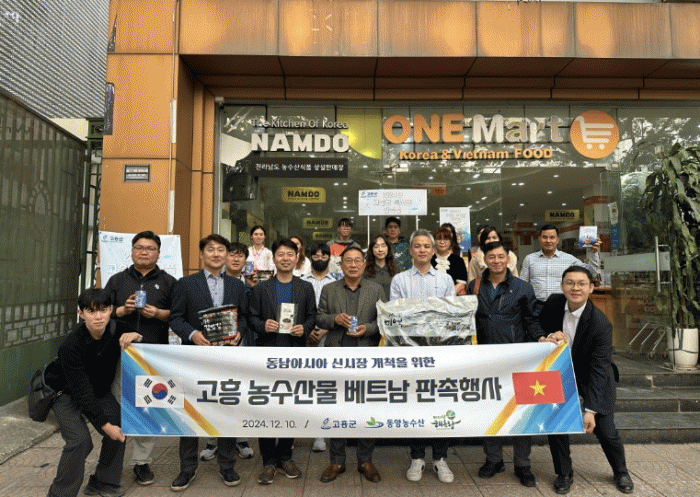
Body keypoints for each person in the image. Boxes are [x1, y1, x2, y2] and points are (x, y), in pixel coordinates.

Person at [539, 267, 633, 495]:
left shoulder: (600, 323)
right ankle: (564, 474)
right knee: (557, 423)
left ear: (591, 288)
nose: (575, 288)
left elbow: (600, 369)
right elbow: (535, 323)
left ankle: (621, 472)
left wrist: (590, 410)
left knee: (606, 429)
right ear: (562, 286)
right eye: (570, 283)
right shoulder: (553, 303)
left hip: (593, 376)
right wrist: (546, 336)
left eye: (581, 283)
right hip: (560, 373)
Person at [168, 234, 248, 491]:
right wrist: (193, 334)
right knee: (189, 412)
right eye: (211, 249)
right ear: (201, 254)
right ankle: (187, 469)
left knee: (226, 410)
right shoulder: (185, 284)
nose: (216, 254)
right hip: (194, 357)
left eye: (221, 250)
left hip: (227, 358)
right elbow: (175, 318)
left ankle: (227, 465)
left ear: (227, 255)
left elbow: (245, 317)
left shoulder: (237, 285)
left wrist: (239, 333)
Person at [467, 241, 550, 488]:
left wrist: (541, 338)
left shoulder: (522, 287)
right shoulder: (475, 286)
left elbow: (531, 320)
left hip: (517, 358)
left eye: (500, 256)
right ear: (484, 260)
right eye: (491, 257)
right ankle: (493, 459)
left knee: (520, 412)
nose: (496, 261)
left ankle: (523, 464)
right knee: (490, 409)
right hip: (485, 359)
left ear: (508, 258)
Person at [46, 288, 142, 497]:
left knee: (119, 426)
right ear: (81, 313)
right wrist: (104, 425)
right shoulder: (71, 345)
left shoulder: (118, 329)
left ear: (111, 310)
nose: (98, 317)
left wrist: (137, 335)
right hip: (65, 393)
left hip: (98, 391)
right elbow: (82, 392)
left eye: (103, 310)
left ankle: (103, 482)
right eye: (91, 311)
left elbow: (143, 343)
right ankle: (60, 494)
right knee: (80, 441)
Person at [103, 230, 176, 486]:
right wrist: (123, 310)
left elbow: (177, 315)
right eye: (139, 247)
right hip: (119, 354)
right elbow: (101, 313)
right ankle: (112, 459)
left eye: (150, 248)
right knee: (116, 407)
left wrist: (157, 313)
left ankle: (141, 462)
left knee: (148, 408)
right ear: (132, 251)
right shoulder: (117, 280)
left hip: (153, 354)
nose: (144, 252)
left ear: (158, 253)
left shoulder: (169, 282)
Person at [390, 229, 456, 484]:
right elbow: (396, 316)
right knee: (415, 402)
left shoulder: (445, 279)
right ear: (411, 250)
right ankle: (417, 457)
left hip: (439, 351)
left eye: (427, 246)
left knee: (440, 401)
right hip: (410, 352)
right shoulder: (399, 280)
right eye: (417, 246)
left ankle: (440, 458)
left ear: (433, 250)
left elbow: (450, 315)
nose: (422, 250)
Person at [249, 238, 317, 485]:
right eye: (281, 254)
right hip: (267, 355)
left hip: (295, 355)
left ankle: (285, 456)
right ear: (273, 258)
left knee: (290, 406)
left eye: (290, 254)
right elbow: (251, 318)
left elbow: (312, 315)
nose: (285, 258)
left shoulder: (305, 287)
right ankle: (268, 461)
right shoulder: (261, 288)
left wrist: (305, 328)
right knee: (267, 407)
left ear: (297, 258)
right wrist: (262, 325)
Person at [316, 246, 385, 483]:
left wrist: (370, 328)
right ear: (341, 264)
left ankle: (365, 460)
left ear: (364, 264)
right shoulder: (329, 289)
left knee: (367, 409)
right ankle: (337, 460)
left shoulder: (376, 289)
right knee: (337, 408)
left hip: (367, 357)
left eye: (357, 261)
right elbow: (319, 317)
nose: (353, 265)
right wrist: (334, 319)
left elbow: (385, 321)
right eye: (348, 261)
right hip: (337, 357)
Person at [198, 241, 256, 463]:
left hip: (237, 346)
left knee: (237, 393)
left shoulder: (246, 284)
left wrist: (239, 332)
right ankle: (212, 440)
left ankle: (240, 439)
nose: (235, 258)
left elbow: (249, 316)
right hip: (207, 348)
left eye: (240, 255)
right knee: (212, 394)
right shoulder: (201, 283)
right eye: (231, 254)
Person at [302, 242, 337, 453]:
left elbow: (339, 311)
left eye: (324, 255)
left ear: (329, 258)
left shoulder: (336, 282)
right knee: (305, 383)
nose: (320, 258)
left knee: (324, 384)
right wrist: (307, 331)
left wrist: (324, 329)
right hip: (304, 337)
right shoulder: (301, 281)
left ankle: (320, 433)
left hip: (328, 337)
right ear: (310, 258)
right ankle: (299, 427)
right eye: (315, 255)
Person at [520, 224, 601, 316]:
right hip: (535, 308)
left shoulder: (569, 259)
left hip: (561, 308)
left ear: (557, 240)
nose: (548, 241)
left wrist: (594, 253)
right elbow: (523, 284)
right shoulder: (529, 259)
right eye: (545, 237)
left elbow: (590, 273)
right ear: (539, 239)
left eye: (552, 237)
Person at [431, 226, 469, 295]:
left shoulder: (458, 260)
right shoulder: (429, 260)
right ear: (434, 241)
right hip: (431, 297)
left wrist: (448, 295)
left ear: (450, 242)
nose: (442, 242)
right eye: (439, 239)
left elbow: (461, 283)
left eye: (445, 239)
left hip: (453, 297)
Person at [364, 234, 397, 299]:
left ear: (388, 248)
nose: (380, 250)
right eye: (376, 247)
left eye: (383, 246)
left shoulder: (396, 270)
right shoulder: (365, 271)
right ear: (372, 249)